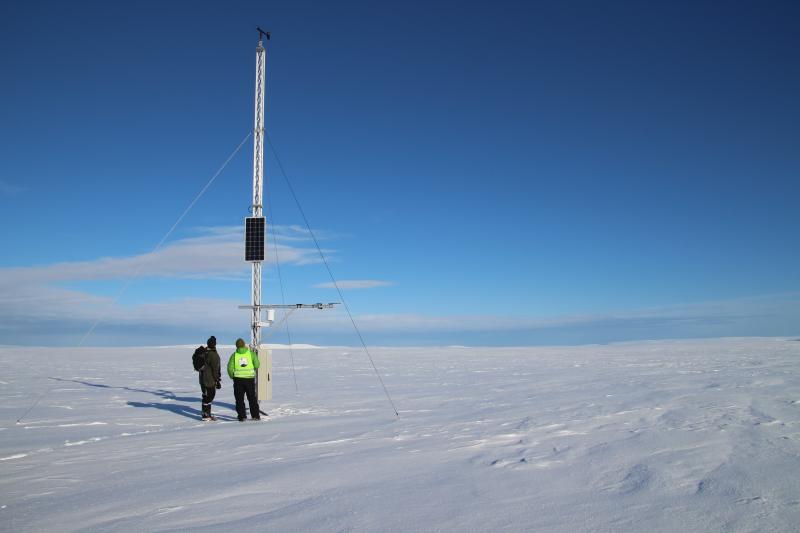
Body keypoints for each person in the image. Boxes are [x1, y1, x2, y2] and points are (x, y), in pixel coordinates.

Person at [227, 338, 261, 421]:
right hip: (249, 379)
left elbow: (229, 368)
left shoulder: (234, 355)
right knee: (252, 398)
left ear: (237, 346)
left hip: (238, 380)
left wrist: (232, 376)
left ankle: (242, 416)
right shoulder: (251, 354)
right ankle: (255, 416)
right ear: (244, 344)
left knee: (239, 399)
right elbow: (257, 365)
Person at [200, 336, 221, 421]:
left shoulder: (204, 352)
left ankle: (206, 414)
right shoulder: (213, 355)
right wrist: (217, 380)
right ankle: (206, 415)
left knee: (206, 395)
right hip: (209, 379)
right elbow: (215, 369)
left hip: (202, 378)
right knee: (210, 395)